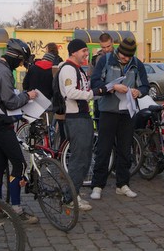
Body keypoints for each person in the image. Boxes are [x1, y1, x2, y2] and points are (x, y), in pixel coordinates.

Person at [0, 38, 39, 223]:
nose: (21, 65)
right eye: (21, 61)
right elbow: (10, 101)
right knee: (19, 164)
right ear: (16, 56)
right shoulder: (4, 72)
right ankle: (16, 209)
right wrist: (27, 95)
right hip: (1, 125)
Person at [89, 37, 148, 200]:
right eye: (123, 55)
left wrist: (139, 92)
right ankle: (97, 185)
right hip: (108, 110)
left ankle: (122, 184)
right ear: (118, 50)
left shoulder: (136, 64)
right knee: (103, 149)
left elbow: (145, 86)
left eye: (128, 57)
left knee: (125, 150)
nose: (125, 59)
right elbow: (95, 83)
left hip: (127, 112)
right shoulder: (106, 60)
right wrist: (112, 87)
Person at [58, 38, 107, 211]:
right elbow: (71, 92)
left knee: (84, 158)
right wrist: (93, 93)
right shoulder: (69, 69)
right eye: (84, 51)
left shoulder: (77, 69)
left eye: (86, 51)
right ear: (74, 52)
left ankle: (74, 193)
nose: (87, 54)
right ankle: (70, 197)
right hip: (76, 118)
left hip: (82, 117)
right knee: (79, 160)